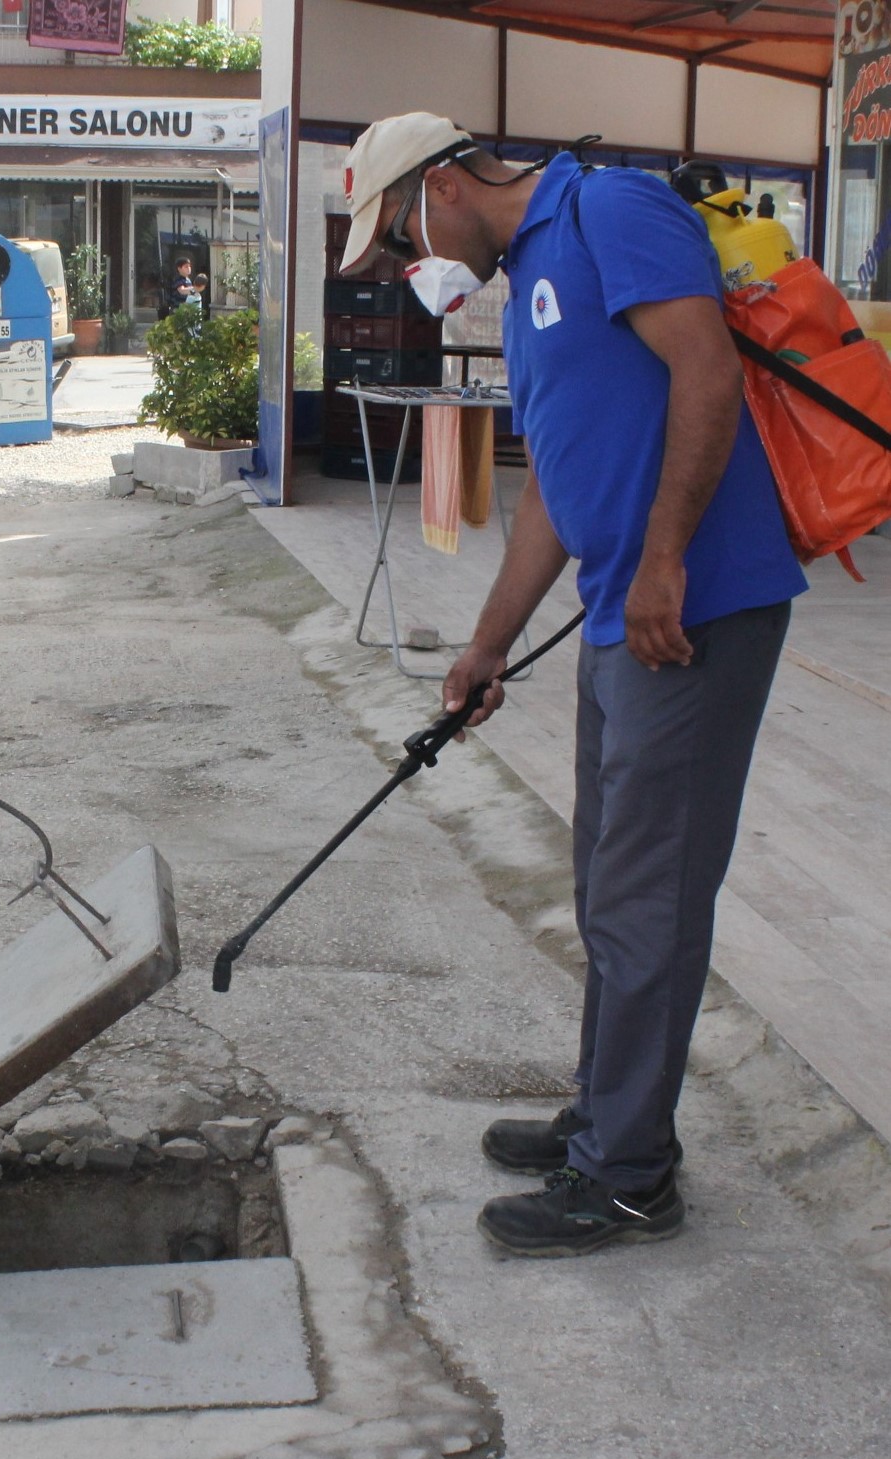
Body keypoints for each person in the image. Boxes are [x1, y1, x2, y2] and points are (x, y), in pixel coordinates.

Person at [340, 114, 807, 1257]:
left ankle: (631, 1177)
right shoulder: (534, 271)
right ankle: (609, 1116)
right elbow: (554, 483)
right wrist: (488, 641)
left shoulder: (610, 210)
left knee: (647, 896)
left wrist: (663, 562)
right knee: (609, 885)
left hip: (692, 608)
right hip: (628, 613)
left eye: (401, 233)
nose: (409, 264)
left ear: (444, 182)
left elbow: (709, 369)